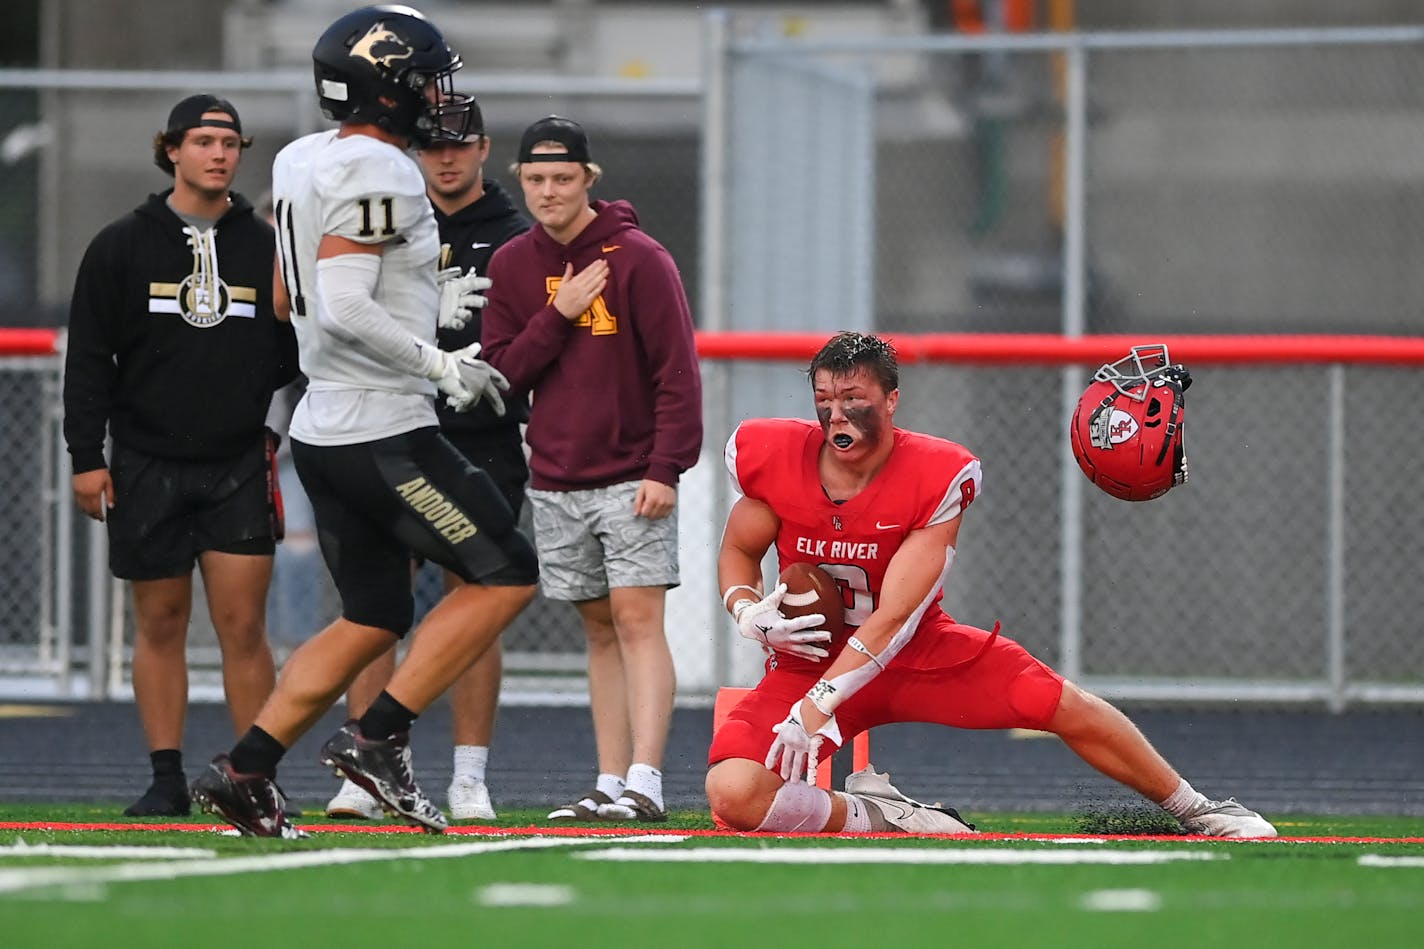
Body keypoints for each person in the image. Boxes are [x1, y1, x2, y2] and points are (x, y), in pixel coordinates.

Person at [189, 5, 537, 838]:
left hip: (322, 425)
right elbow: (344, 303)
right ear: (387, 89)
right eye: (426, 79)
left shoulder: (303, 156)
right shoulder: (384, 172)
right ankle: (380, 737)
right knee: (507, 572)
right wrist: (440, 361)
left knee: (374, 616)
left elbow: (285, 297)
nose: (438, 94)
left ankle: (246, 767)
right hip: (382, 425)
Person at [706, 331, 1278, 838]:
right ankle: (885, 815)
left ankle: (1197, 808)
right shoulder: (773, 454)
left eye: (854, 400)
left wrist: (818, 706)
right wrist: (746, 608)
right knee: (733, 792)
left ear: (891, 400)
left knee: (1053, 701)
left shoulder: (933, 471)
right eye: (825, 401)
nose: (837, 416)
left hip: (915, 653)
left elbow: (896, 618)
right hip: (810, 662)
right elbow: (738, 550)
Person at [63, 93, 298, 818]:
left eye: (231, 142)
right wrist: (85, 455)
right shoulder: (121, 244)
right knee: (160, 621)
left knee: (243, 624)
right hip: (144, 460)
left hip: (234, 461)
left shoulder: (266, 244)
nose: (220, 153)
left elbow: (296, 344)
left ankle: (253, 777)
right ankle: (166, 777)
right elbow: (90, 359)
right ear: (171, 150)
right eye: (203, 141)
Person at [481, 115, 703, 822]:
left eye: (563, 178)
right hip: (555, 477)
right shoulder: (514, 265)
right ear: (522, 181)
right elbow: (502, 375)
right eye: (537, 179)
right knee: (598, 628)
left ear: (588, 181)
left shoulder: (641, 259)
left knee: (638, 620)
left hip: (633, 474)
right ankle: (609, 781)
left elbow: (678, 375)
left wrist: (666, 468)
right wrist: (560, 311)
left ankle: (648, 779)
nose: (550, 191)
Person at [326, 93, 531, 823]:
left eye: (460, 143)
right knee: (375, 606)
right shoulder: (388, 215)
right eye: (432, 144)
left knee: (476, 593)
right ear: (412, 151)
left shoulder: (515, 236)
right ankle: (363, 773)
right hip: (389, 428)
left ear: (482, 148)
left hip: (478, 434)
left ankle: (468, 774)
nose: (446, 156)